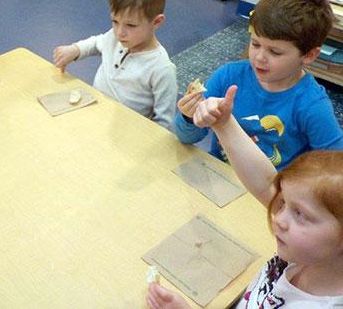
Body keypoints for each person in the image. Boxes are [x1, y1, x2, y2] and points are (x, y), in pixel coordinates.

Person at [147, 86, 343, 309]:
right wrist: (224, 125)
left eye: (299, 213)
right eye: (283, 204)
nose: (277, 218)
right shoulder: (308, 253)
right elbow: (266, 184)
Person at [174, 0, 343, 170]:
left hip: (271, 191)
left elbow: (335, 168)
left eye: (275, 52)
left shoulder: (312, 106)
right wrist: (189, 117)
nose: (259, 57)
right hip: (222, 176)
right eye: (255, 44)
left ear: (309, 55)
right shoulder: (228, 76)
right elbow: (186, 137)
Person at [53, 0, 177, 129]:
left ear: (156, 22)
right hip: (95, 112)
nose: (119, 32)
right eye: (115, 21)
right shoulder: (115, 37)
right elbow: (97, 43)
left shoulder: (162, 69)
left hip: (125, 131)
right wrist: (75, 49)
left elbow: (164, 123)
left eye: (131, 25)